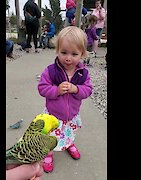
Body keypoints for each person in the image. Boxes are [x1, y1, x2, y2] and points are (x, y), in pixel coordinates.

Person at [37, 26, 93, 173]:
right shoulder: (51, 71)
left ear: (82, 53)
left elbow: (88, 90)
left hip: (71, 114)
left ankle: (69, 144)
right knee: (50, 136)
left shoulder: (82, 73)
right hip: (53, 115)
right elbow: (42, 88)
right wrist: (56, 90)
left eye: (74, 54)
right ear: (57, 50)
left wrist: (76, 89)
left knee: (69, 132)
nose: (68, 57)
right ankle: (48, 153)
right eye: (64, 52)